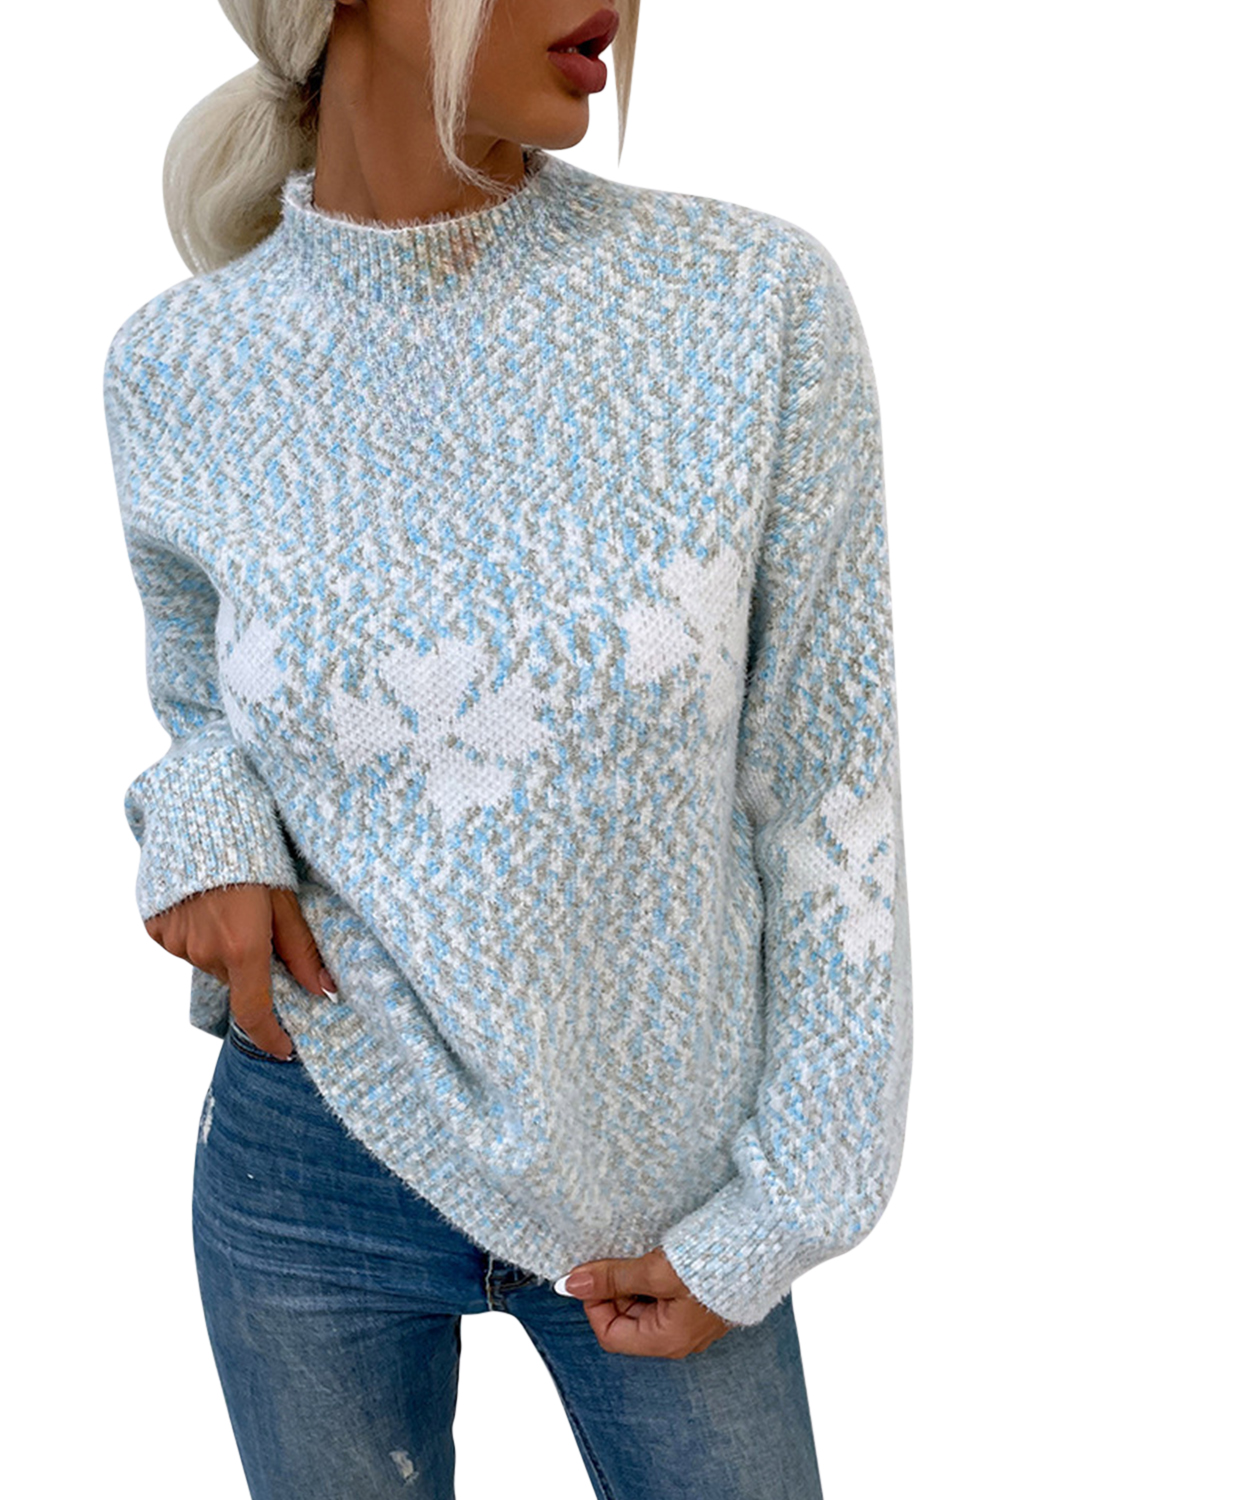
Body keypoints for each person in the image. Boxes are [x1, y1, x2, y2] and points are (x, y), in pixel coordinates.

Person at [101, 1, 913, 1495]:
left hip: (664, 1194)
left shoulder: (749, 304)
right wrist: (202, 825)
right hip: (311, 1148)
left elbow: (826, 792)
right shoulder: (180, 365)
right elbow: (202, 695)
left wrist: (787, 1210)